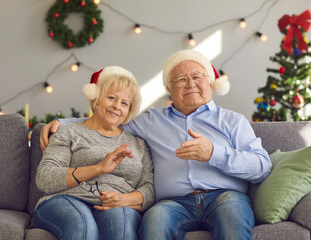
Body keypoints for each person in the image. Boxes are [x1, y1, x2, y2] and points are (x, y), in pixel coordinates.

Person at [40, 50, 272, 240]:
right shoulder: (150, 121)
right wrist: (62, 123)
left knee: (232, 219)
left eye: (197, 77)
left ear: (211, 82)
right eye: (180, 79)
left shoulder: (233, 121)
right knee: (155, 222)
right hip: (173, 203)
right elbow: (108, 119)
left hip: (225, 196)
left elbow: (262, 167)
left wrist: (214, 153)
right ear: (169, 89)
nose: (190, 83)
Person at [33, 66, 154, 240]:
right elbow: (45, 177)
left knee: (122, 226)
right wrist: (98, 168)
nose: (116, 106)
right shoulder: (68, 132)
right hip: (66, 199)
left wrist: (122, 200)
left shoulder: (138, 144)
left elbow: (148, 188)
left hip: (117, 205)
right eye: (111, 97)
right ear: (96, 98)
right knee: (82, 225)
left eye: (124, 103)